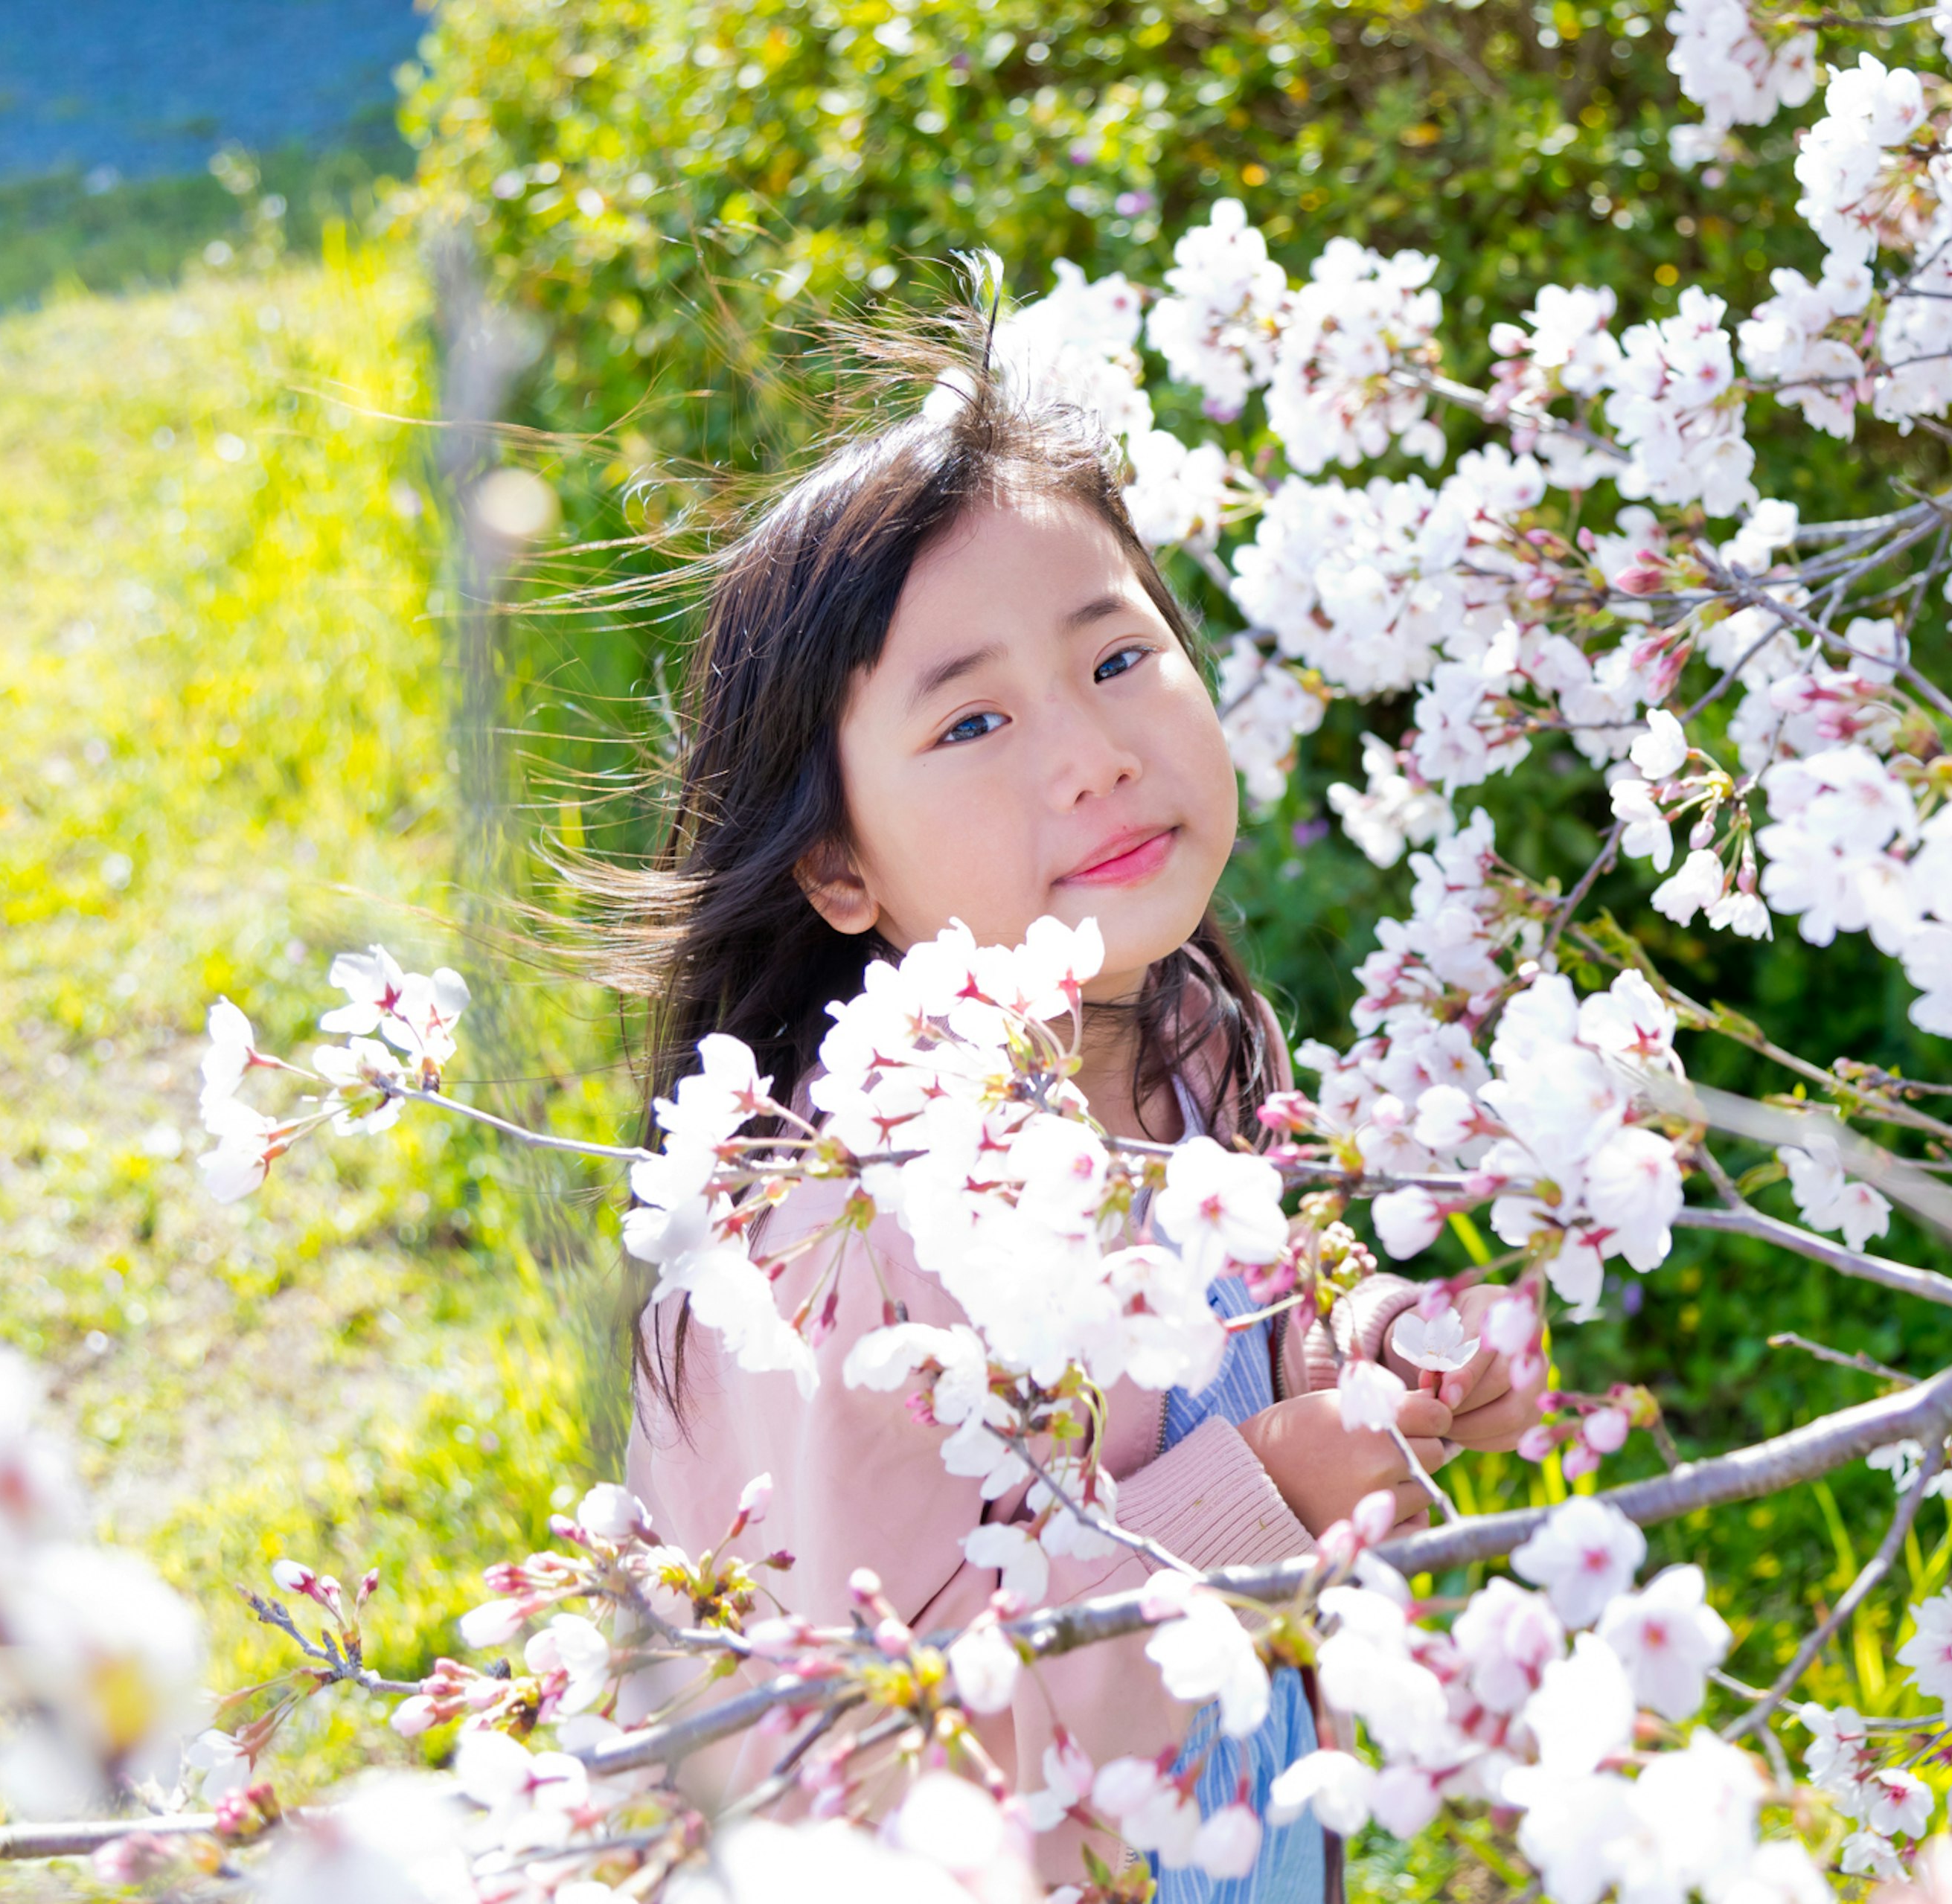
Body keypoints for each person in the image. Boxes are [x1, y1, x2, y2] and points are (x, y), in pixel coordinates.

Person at [604, 309, 1535, 1898]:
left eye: (1118, 658)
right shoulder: (843, 1215)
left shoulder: (1184, 1036)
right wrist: (1269, 1495)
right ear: (836, 864)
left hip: (1214, 1826)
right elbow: (885, 1728)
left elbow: (1232, 1346)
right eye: (975, 720)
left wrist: (1370, 1348)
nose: (1096, 752)